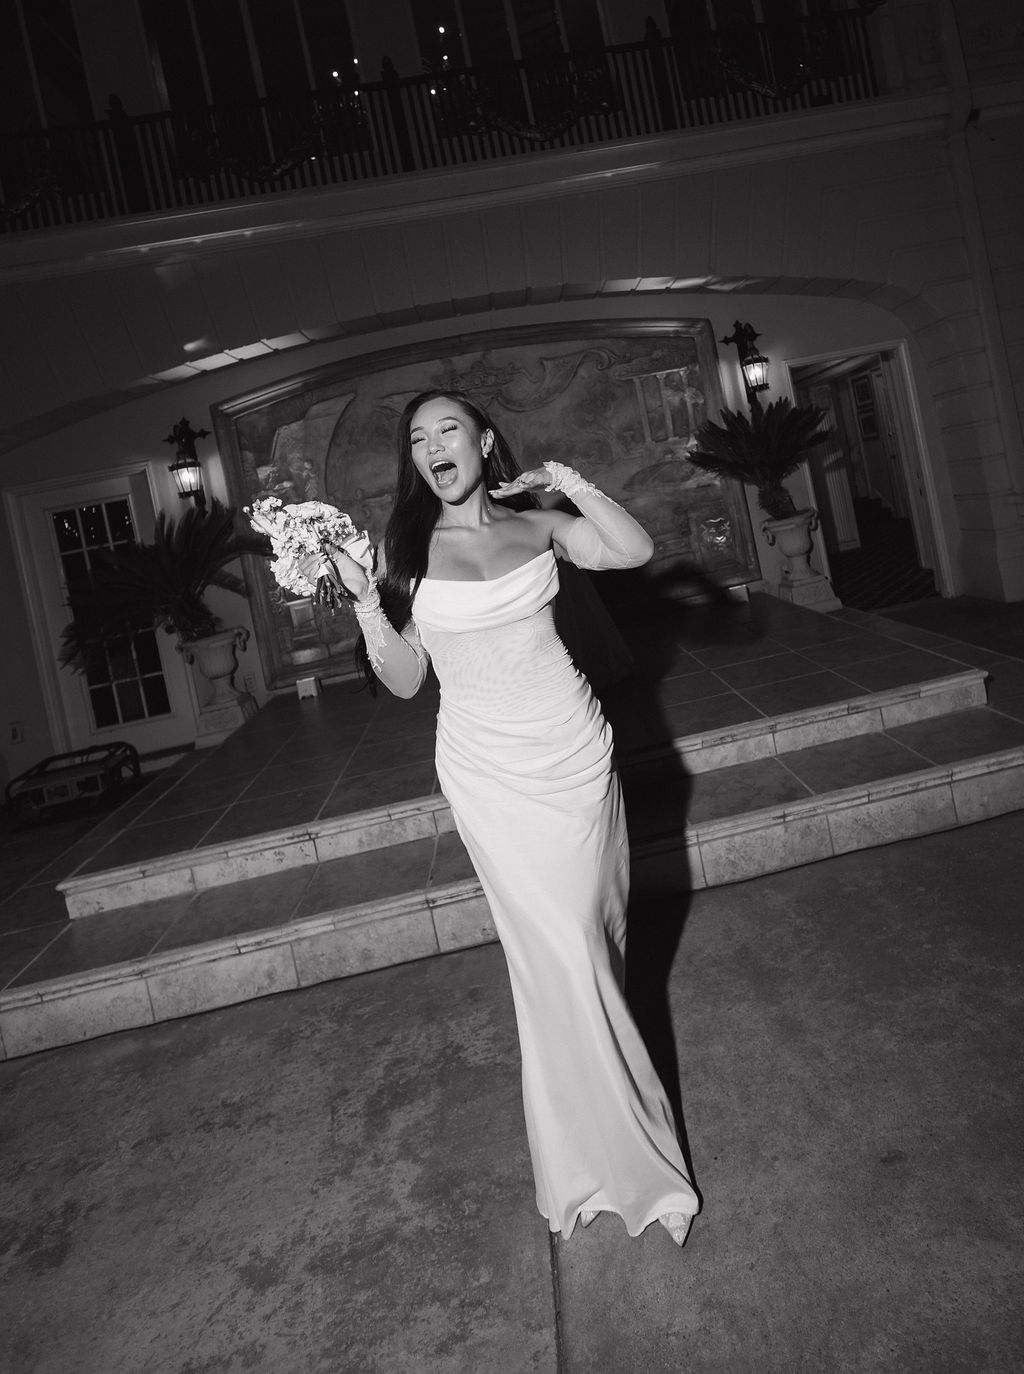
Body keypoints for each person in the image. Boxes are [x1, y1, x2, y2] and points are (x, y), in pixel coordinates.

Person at [317, 389, 700, 1246]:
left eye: (447, 428)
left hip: (573, 758)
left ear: (483, 441)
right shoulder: (406, 546)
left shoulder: (539, 524)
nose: (431, 446)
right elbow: (410, 680)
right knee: (557, 960)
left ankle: (619, 1159)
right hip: (488, 776)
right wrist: (366, 604)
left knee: (591, 947)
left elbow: (632, 550)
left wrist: (566, 483)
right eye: (417, 438)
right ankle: (602, 1167)